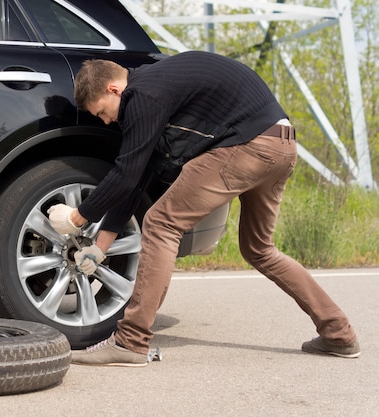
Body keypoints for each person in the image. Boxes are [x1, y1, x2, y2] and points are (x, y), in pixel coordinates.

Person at [47, 51, 360, 367]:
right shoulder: (158, 85)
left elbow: (126, 173)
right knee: (260, 249)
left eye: (102, 112)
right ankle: (339, 333)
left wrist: (77, 216)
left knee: (160, 223)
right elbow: (139, 174)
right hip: (281, 146)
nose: (106, 121)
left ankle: (131, 341)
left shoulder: (143, 94)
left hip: (248, 147)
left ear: (114, 89)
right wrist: (101, 247)